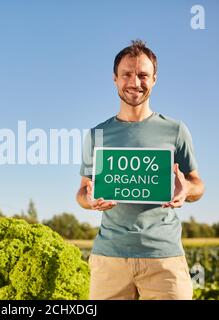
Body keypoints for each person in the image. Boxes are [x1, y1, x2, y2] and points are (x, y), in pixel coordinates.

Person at [76, 39, 205, 300]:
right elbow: (81, 192)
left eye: (143, 75)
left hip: (164, 258)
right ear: (114, 78)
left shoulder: (176, 130)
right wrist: (89, 201)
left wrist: (186, 189)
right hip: (109, 259)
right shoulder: (97, 135)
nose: (135, 83)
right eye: (127, 74)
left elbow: (197, 184)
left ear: (155, 79)